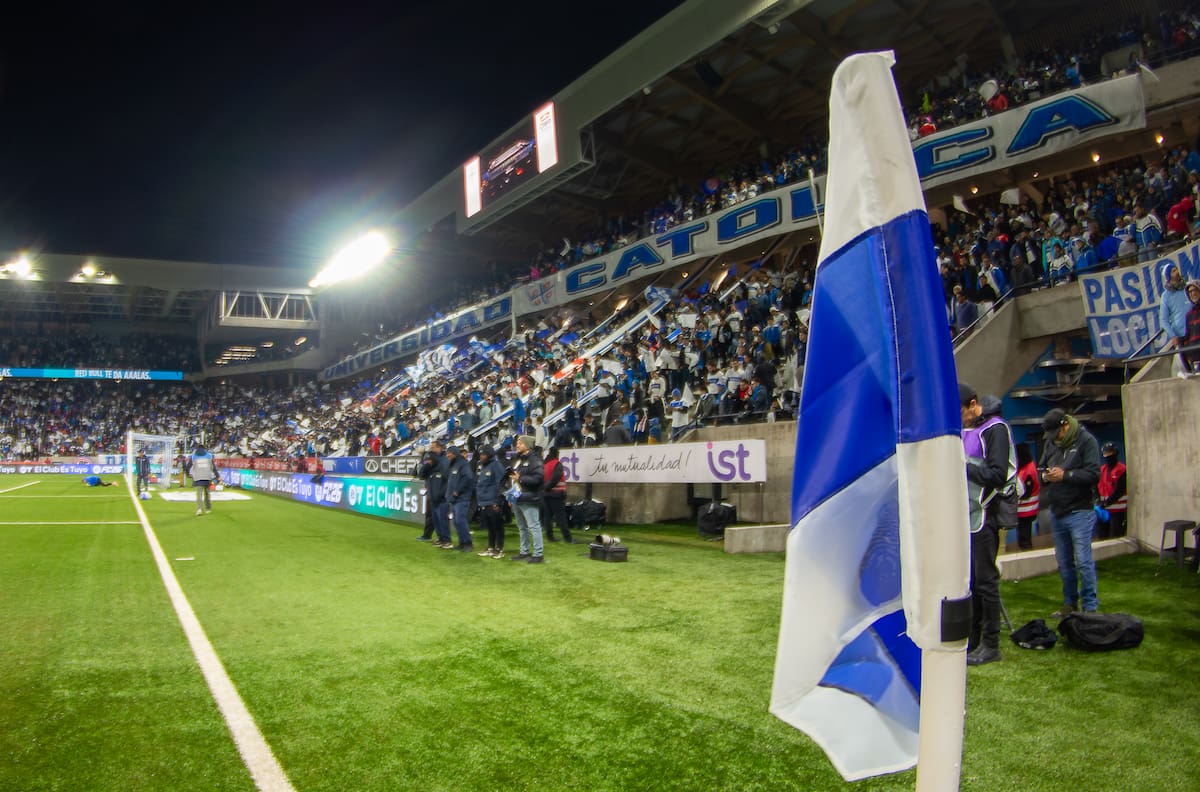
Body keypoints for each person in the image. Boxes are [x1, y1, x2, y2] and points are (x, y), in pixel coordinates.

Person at [960, 384, 1017, 667]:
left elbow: (997, 474)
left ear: (973, 404)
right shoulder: (966, 430)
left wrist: (962, 465)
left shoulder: (996, 429)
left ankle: (990, 643)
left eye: (961, 412)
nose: (960, 418)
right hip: (967, 517)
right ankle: (972, 639)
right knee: (971, 582)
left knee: (986, 581)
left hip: (986, 514)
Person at [1039, 408, 1102, 617]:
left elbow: (1093, 474)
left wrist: (1066, 475)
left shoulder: (1086, 441)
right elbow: (1040, 468)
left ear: (1065, 425)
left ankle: (1090, 607)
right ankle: (1070, 603)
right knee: (1065, 562)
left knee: (1083, 561)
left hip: (1080, 511)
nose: (1054, 438)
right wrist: (1045, 476)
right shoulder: (1050, 443)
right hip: (1058, 510)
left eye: (1056, 433)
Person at [509, 434, 545, 563]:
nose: (517, 445)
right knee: (522, 527)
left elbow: (538, 478)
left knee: (533, 526)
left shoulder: (535, 460)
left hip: (529, 498)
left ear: (527, 445)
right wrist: (511, 496)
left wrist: (521, 478)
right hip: (517, 497)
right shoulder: (518, 459)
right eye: (517, 443)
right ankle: (524, 551)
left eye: (520, 443)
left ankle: (538, 554)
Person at [473, 445, 507, 558]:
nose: (481, 456)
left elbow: (501, 484)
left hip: (493, 502)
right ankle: (491, 547)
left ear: (489, 455)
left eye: (483, 454)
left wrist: (497, 501)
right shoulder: (482, 466)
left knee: (498, 526)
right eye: (480, 454)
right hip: (484, 502)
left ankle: (499, 549)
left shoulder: (496, 466)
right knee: (490, 527)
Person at [417, 440, 451, 547]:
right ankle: (440, 538)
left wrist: (443, 493)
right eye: (430, 447)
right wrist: (427, 465)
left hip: (441, 497)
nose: (431, 449)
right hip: (432, 495)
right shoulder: (430, 460)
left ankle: (446, 540)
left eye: (433, 447)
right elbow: (421, 475)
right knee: (435, 519)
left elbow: (447, 480)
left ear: (439, 448)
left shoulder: (444, 461)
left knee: (442, 519)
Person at [1158, 262, 1190, 374]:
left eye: (1176, 269)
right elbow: (1164, 320)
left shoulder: (1189, 287)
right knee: (1186, 368)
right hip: (1181, 335)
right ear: (1168, 277)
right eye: (1173, 271)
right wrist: (1173, 335)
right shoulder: (1166, 296)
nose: (1177, 272)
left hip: (1196, 329)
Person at [541, 446, 576, 544]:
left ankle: (550, 536)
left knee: (547, 517)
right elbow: (556, 477)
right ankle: (567, 538)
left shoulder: (545, 464)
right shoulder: (557, 464)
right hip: (556, 494)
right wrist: (548, 487)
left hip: (546, 494)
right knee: (561, 517)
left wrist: (544, 489)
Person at [444, 445, 475, 552]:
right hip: (454, 498)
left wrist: (458, 490)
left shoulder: (463, 464)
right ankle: (462, 542)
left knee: (460, 520)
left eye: (449, 453)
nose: (448, 455)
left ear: (455, 453)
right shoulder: (453, 465)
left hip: (462, 498)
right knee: (456, 521)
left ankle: (468, 543)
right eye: (447, 453)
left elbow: (468, 477)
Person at [1096, 442, 1127, 539]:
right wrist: (1098, 501)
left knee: (1116, 537)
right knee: (1102, 537)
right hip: (1103, 510)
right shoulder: (1102, 470)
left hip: (1118, 510)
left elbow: (1120, 490)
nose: (1108, 456)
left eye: (1110, 453)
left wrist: (1107, 503)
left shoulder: (1121, 469)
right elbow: (1096, 487)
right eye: (1106, 453)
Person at [1015, 442, 1040, 551]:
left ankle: (1026, 548)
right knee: (1023, 530)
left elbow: (1026, 492)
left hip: (1026, 508)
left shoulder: (1028, 470)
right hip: (1026, 508)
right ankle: (1025, 546)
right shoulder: (1028, 466)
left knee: (1024, 532)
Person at [187, 444, 218, 516]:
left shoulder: (193, 456)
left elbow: (188, 466)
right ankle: (208, 508)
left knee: (199, 494)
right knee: (207, 493)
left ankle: (199, 509)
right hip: (207, 476)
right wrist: (217, 475)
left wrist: (187, 473)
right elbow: (213, 467)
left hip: (197, 477)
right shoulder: (209, 456)